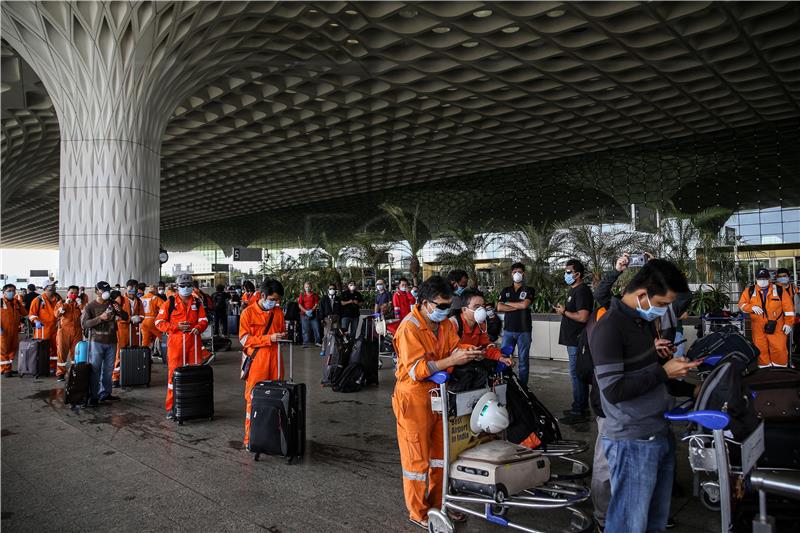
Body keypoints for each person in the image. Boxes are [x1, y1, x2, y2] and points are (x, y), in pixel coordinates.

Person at [590, 260, 701, 533]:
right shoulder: (609, 327)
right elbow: (614, 391)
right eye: (662, 304)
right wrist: (663, 372)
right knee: (629, 525)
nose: (663, 311)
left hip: (657, 432)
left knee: (653, 522)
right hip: (631, 440)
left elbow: (646, 375)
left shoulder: (642, 323)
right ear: (642, 296)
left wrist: (688, 386)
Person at [392, 275, 483, 528]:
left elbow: (453, 346)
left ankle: (439, 504)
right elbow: (417, 370)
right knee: (417, 460)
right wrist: (452, 361)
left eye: (448, 306)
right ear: (424, 302)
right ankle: (419, 512)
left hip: (438, 396)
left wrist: (466, 352)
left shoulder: (444, 325)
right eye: (440, 306)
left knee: (441, 456)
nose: (444, 311)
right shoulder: (409, 327)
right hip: (413, 398)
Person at [239, 279, 286, 447]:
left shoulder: (278, 312)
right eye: (273, 299)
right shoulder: (248, 313)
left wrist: (283, 336)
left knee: (277, 397)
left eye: (278, 300)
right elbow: (244, 340)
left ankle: (274, 437)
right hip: (257, 361)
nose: (275, 303)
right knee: (254, 398)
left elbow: (282, 331)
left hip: (276, 360)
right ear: (264, 295)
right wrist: (269, 338)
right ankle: (250, 439)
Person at [155, 273, 208, 419]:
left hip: (194, 345)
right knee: (174, 377)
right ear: (177, 287)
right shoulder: (169, 303)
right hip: (176, 346)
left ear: (193, 287)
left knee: (194, 375)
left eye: (189, 286)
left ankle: (195, 405)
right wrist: (176, 327)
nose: (186, 288)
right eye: (183, 286)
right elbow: (158, 323)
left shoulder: (197, 303)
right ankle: (172, 407)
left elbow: (204, 320)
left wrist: (199, 327)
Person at [555, 259, 594, 425]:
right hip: (571, 339)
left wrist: (564, 312)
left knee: (576, 375)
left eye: (569, 272)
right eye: (566, 271)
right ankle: (579, 406)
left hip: (577, 340)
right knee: (576, 374)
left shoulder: (582, 291)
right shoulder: (573, 290)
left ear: (578, 274)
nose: (567, 274)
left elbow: (583, 316)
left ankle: (579, 411)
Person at [81, 282, 128, 406]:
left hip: (111, 341)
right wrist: (100, 318)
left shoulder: (113, 304)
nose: (106, 292)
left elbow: (126, 317)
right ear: (97, 291)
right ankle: (94, 396)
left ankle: (105, 393)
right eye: (103, 290)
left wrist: (120, 311)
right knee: (95, 369)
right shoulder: (90, 306)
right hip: (96, 341)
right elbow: (85, 324)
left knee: (108, 370)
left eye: (107, 290)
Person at [738, 268, 795, 367]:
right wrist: (751, 307)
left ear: (769, 278)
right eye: (760, 278)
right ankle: (764, 371)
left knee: (779, 349)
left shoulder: (779, 290)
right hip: (758, 327)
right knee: (760, 349)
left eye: (765, 278)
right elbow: (741, 305)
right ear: (756, 279)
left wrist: (789, 323)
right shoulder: (749, 291)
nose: (762, 280)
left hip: (777, 326)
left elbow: (789, 309)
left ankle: (780, 371)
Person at [451, 289, 514, 367]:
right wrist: (473, 351)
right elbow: (451, 349)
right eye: (476, 307)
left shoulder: (481, 325)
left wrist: (500, 357)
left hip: (470, 367)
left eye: (482, 307)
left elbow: (485, 347)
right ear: (464, 309)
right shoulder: (453, 325)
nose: (481, 311)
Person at [497, 263, 534, 385]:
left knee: (523, 362)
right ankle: (506, 384)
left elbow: (525, 305)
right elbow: (499, 307)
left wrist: (508, 303)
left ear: (523, 273)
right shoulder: (506, 290)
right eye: (514, 272)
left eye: (519, 271)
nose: (517, 274)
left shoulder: (529, 289)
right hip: (508, 331)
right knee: (504, 358)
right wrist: (518, 306)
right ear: (511, 274)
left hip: (524, 331)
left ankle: (523, 387)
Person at [113, 279, 144, 386]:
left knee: (134, 352)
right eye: (130, 288)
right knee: (119, 353)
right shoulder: (120, 299)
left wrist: (139, 318)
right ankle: (116, 378)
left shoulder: (139, 301)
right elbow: (116, 315)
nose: (133, 290)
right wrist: (129, 319)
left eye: (135, 288)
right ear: (126, 288)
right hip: (122, 330)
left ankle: (132, 375)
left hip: (134, 330)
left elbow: (142, 314)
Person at [27, 280, 62, 372]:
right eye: (52, 286)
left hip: (56, 328)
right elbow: (31, 314)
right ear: (46, 288)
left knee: (55, 348)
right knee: (42, 349)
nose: (54, 287)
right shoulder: (37, 300)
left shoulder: (58, 299)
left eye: (54, 286)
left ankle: (52, 367)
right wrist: (36, 321)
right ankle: (40, 367)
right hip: (42, 329)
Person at [54, 286, 85, 382]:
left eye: (76, 293)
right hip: (64, 331)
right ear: (67, 293)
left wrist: (81, 305)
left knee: (76, 353)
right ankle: (60, 373)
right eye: (71, 292)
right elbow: (57, 315)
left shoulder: (79, 303)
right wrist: (64, 305)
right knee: (61, 352)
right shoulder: (61, 303)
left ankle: (74, 372)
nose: (73, 295)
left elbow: (85, 315)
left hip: (77, 331)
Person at [1, 284, 27, 377]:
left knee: (13, 350)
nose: (12, 292)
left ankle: (9, 368)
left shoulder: (16, 302)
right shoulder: (0, 302)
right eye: (9, 291)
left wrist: (20, 304)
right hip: (3, 331)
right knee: (3, 350)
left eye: (13, 290)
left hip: (14, 331)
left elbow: (24, 313)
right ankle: (5, 370)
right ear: (4, 292)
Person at [775, 268, 799, 354]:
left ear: (788, 276)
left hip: (791, 318)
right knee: (779, 341)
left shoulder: (793, 288)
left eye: (784, 276)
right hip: (777, 319)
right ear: (776, 277)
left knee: (790, 339)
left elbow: (796, 302)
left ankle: (789, 359)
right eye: (780, 276)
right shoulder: (774, 288)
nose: (782, 278)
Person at [140, 284, 163, 353]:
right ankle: (162, 352)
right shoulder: (155, 298)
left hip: (143, 321)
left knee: (145, 340)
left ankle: (144, 356)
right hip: (153, 320)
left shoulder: (142, 298)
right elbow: (164, 307)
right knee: (161, 337)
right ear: (155, 289)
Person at [297, 282, 321, 347]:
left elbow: (316, 304)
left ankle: (317, 342)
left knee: (316, 328)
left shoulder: (315, 295)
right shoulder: (302, 295)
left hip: (313, 315)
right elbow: (300, 305)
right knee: (305, 329)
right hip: (304, 315)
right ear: (304, 288)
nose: (308, 288)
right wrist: (306, 311)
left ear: (311, 287)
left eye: (309, 286)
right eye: (306, 287)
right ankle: (305, 343)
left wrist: (311, 310)